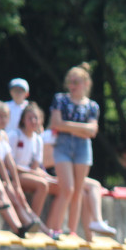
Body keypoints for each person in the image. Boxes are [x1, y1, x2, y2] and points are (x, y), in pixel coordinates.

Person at [33, 108, 118, 239]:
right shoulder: (49, 136)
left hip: (61, 174)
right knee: (89, 186)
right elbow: (47, 162)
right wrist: (66, 165)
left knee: (83, 193)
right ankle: (91, 224)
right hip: (53, 175)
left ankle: (89, 235)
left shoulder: (54, 136)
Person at [47, 63, 100, 238]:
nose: (72, 86)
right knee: (67, 189)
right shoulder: (60, 99)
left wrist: (67, 126)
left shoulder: (92, 106)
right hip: (63, 146)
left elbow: (92, 131)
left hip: (82, 148)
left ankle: (72, 231)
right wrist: (81, 128)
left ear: (85, 83)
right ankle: (55, 229)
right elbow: (56, 124)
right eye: (70, 82)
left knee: (78, 192)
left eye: (76, 82)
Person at [0, 101, 43, 236]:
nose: (3, 120)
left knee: (14, 193)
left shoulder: (3, 134)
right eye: (0, 116)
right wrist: (9, 183)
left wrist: (16, 184)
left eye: (6, 117)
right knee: (6, 192)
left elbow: (10, 162)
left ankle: (25, 223)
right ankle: (22, 224)